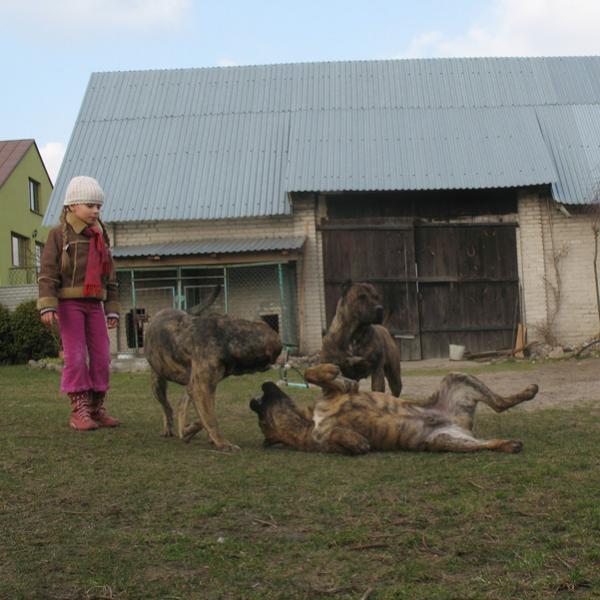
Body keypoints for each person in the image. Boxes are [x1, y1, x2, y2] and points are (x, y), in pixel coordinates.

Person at [38, 176, 121, 431]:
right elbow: (48, 272)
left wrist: (112, 310)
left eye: (98, 206)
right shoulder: (57, 236)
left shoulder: (100, 237)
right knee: (75, 357)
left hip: (94, 305)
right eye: (90, 205)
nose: (96, 210)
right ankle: (79, 411)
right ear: (72, 206)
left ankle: (96, 409)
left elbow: (111, 279)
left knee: (101, 356)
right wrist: (47, 305)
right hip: (68, 304)